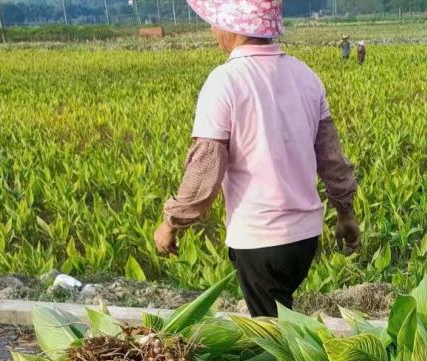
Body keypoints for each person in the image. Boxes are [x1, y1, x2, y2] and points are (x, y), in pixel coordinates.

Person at [154, 0, 360, 318]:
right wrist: (346, 215)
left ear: (231, 27)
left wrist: (171, 223)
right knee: (281, 320)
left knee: (271, 340)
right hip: (305, 238)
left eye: (214, 22)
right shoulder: (306, 76)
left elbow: (205, 168)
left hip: (260, 238)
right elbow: (332, 159)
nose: (212, 30)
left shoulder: (225, 81)